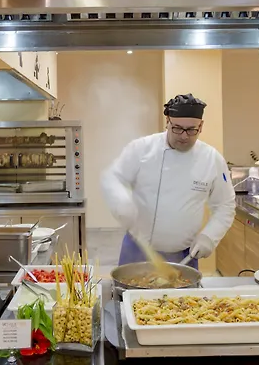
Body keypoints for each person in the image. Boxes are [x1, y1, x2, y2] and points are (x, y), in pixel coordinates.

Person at [100, 93, 235, 269]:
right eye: (177, 128)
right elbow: (113, 177)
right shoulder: (142, 149)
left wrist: (209, 237)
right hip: (137, 250)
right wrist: (121, 200)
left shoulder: (211, 159)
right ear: (167, 121)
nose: (184, 136)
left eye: (191, 130)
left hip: (184, 254)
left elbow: (225, 205)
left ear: (201, 126)